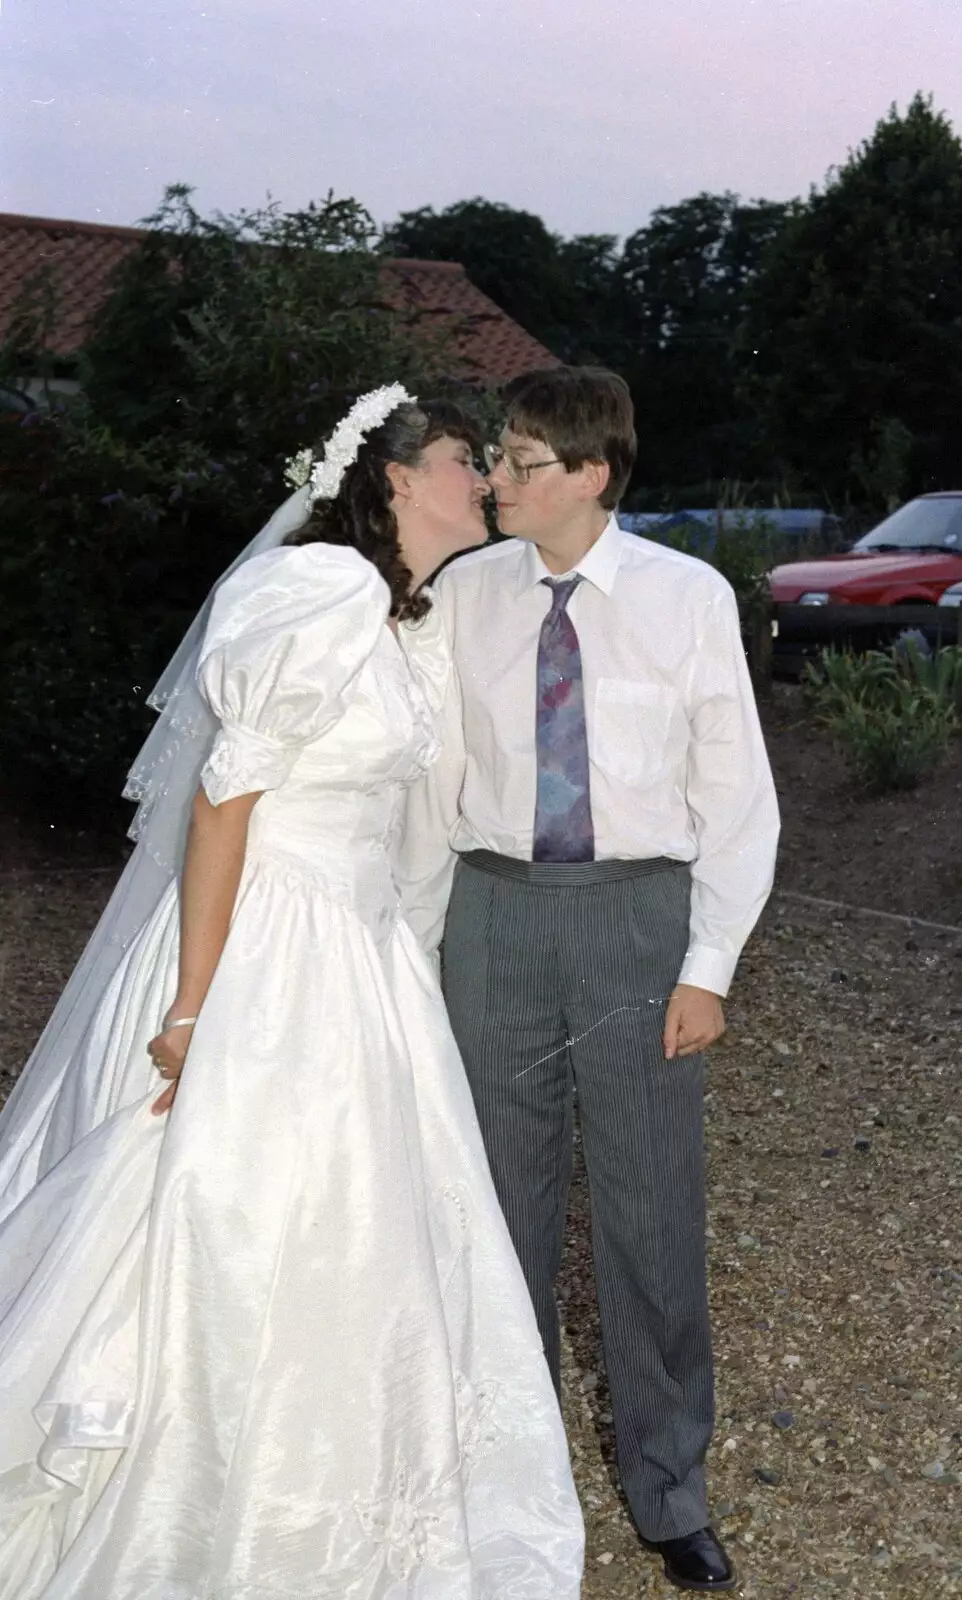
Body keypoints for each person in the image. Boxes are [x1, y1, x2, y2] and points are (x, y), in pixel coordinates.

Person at [0, 387, 585, 1599]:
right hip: (267, 945)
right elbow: (226, 801)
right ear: (389, 481)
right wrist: (192, 1001)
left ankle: (347, 1500)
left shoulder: (399, 616)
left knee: (371, 1232)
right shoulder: (315, 593)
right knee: (230, 1212)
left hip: (359, 958)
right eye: (463, 461)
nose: (481, 480)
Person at [397, 366, 780, 1595]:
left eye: (516, 460)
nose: (495, 477)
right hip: (493, 916)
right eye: (496, 458)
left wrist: (707, 966)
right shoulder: (464, 595)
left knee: (650, 1215)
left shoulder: (688, 598)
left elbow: (736, 798)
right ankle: (513, 1475)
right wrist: (411, 946)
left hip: (636, 926)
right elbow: (432, 786)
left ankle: (670, 1488)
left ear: (591, 475)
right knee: (492, 1213)